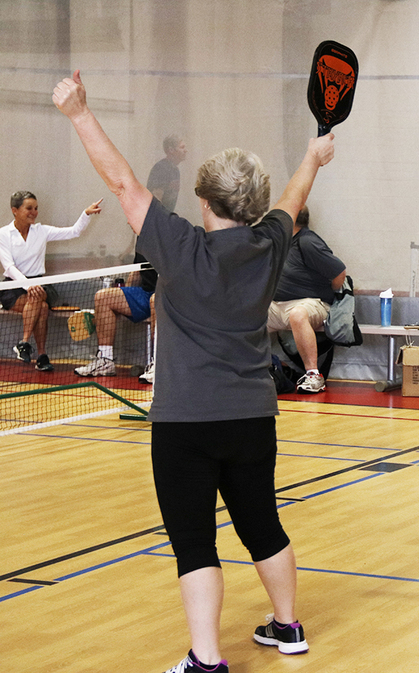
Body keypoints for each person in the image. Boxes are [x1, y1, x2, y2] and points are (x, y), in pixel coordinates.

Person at [54, 70, 334, 673]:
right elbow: (292, 198)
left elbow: (123, 181)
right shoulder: (270, 245)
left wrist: (79, 113)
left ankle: (207, 661)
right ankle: (288, 628)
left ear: (203, 201)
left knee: (195, 544)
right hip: (253, 418)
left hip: (185, 422)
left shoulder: (179, 246)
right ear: (252, 205)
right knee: (263, 524)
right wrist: (314, 156)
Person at [0, 191, 103, 371]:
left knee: (39, 300)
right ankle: (41, 355)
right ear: (15, 210)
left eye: (36, 208)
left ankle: (24, 344)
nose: (34, 212)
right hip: (14, 285)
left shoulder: (42, 231)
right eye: (29, 208)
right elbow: (9, 267)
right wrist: (28, 285)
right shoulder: (3, 234)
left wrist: (86, 214)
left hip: (39, 284)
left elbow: (74, 231)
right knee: (42, 306)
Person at [266, 205, 346, 394]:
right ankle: (259, 370)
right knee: (248, 313)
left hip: (312, 303)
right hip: (278, 305)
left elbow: (339, 273)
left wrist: (329, 293)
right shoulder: (281, 243)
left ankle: (313, 375)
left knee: (298, 314)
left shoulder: (308, 242)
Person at [73, 252, 157, 378]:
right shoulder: (143, 238)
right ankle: (105, 361)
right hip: (146, 293)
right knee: (103, 297)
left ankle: (159, 364)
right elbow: (138, 270)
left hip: (170, 292)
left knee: (156, 300)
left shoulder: (171, 237)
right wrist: (125, 296)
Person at [147, 134, 187, 213]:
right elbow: (156, 200)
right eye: (182, 147)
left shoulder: (175, 170)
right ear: (171, 150)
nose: (185, 150)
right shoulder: (161, 168)